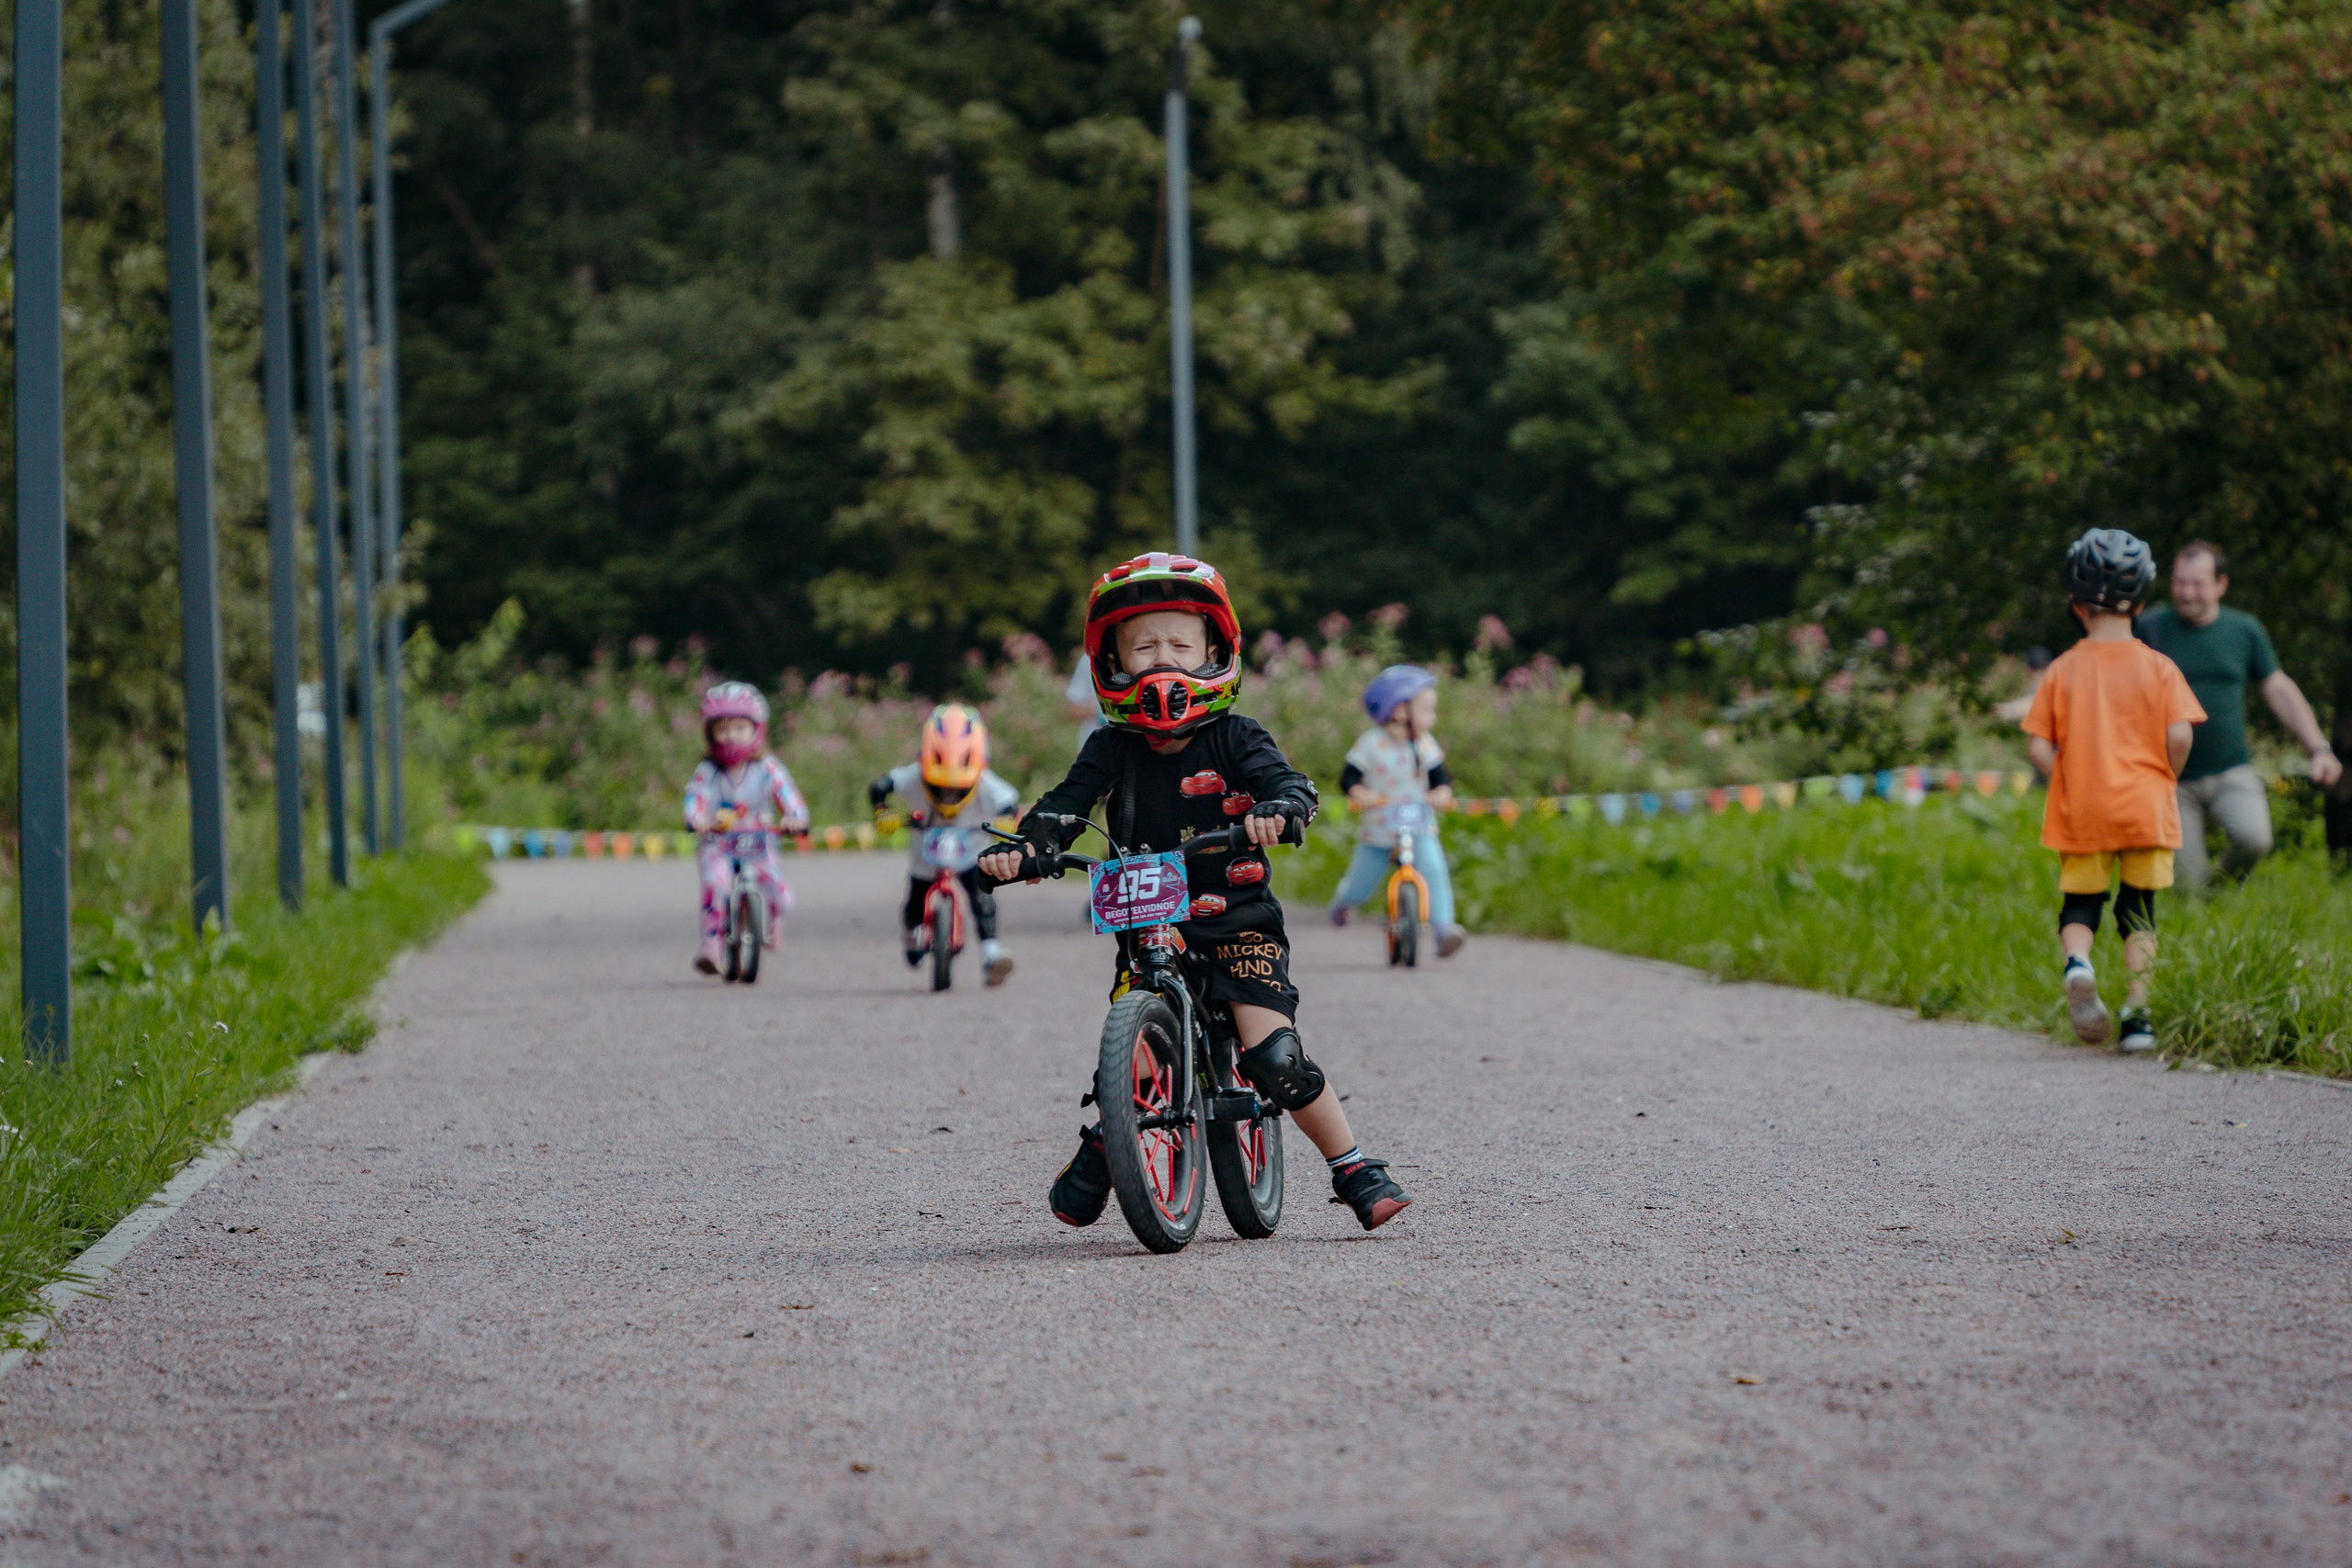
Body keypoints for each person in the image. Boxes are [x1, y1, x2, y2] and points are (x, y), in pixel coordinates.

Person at [978, 552, 1413, 1231]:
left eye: (1180, 644)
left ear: (1214, 652)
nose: (1163, 659)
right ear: (1114, 662)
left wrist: (1283, 808)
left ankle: (1353, 1164)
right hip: (1149, 922)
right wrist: (1027, 849)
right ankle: (1113, 1135)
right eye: (1143, 645)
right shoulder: (1109, 745)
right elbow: (1065, 807)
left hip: (1237, 921)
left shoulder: (1235, 736)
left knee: (1275, 1057)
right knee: (1131, 1044)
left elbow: (1284, 780)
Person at [2022, 529, 2205, 1054]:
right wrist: (2164, 776)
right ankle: (2137, 1018)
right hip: (2146, 805)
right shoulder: (2159, 666)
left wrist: (2070, 776)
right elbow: (2180, 734)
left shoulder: (2061, 670)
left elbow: (2038, 749)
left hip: (2084, 808)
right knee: (2139, 910)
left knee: (2080, 902)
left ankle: (2078, 964)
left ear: (2077, 606)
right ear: (2142, 604)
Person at [2137, 541, 2342, 887]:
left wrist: (2318, 748)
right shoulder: (2150, 629)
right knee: (2187, 887)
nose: (2187, 593)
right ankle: (2202, 912)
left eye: (2198, 583)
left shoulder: (2243, 630)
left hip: (2231, 770)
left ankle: (2218, 896)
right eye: (2179, 582)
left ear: (2221, 584)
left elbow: (2278, 689)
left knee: (2255, 839)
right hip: (2171, 779)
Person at [869, 703, 1022, 986]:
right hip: (926, 851)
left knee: (981, 895)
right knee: (915, 899)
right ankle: (912, 933)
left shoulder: (986, 783)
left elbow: (1008, 803)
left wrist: (1005, 820)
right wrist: (883, 811)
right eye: (940, 786)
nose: (950, 794)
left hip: (971, 848)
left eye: (959, 789)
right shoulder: (913, 776)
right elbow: (880, 787)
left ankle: (991, 951)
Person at [1326, 664, 1464, 956]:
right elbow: (1348, 777)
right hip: (1378, 827)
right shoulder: (1371, 743)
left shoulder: (1424, 744)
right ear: (1400, 710)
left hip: (1418, 824)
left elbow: (1442, 776)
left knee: (1434, 870)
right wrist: (1360, 792)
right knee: (1360, 885)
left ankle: (1443, 929)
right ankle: (1343, 903)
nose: (1433, 717)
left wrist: (1441, 792)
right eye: (1426, 709)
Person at [683, 683, 809, 975]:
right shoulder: (708, 771)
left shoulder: (767, 768)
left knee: (781, 893)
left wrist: (795, 817)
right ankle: (712, 947)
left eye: (739, 728)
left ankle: (773, 920)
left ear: (756, 730)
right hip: (720, 841)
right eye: (723, 729)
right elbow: (695, 797)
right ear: (710, 734)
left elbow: (787, 794)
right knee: (716, 884)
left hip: (758, 839)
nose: (731, 736)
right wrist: (697, 818)